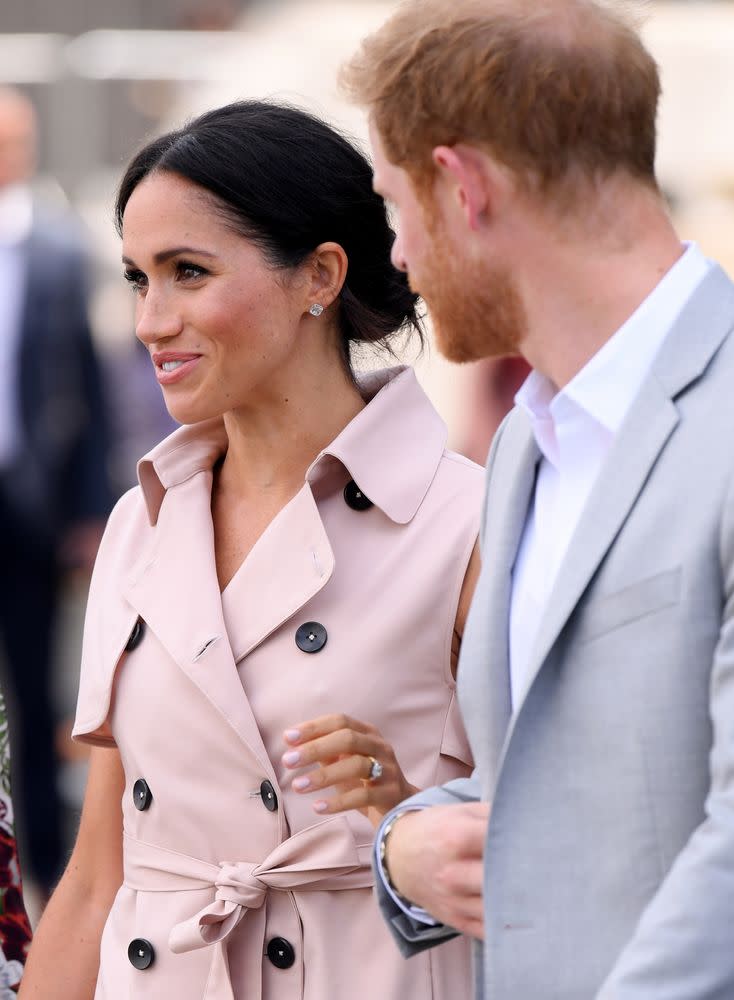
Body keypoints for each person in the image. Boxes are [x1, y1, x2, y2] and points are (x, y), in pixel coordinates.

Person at [19, 101, 483, 999]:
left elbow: (559, 852)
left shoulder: (466, 524)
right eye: (137, 280)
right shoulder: (139, 526)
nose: (151, 321)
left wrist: (405, 813)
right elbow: (93, 882)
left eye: (187, 273)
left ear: (318, 276)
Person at [342, 0, 734, 996]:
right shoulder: (524, 442)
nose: (394, 256)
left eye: (393, 205)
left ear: (461, 186)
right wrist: (404, 851)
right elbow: (556, 784)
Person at [0, 85, 112, 899]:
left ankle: (42, 869)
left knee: (39, 697)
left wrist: (89, 510)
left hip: (29, 507)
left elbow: (91, 388)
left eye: (18, 138)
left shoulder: (61, 252)